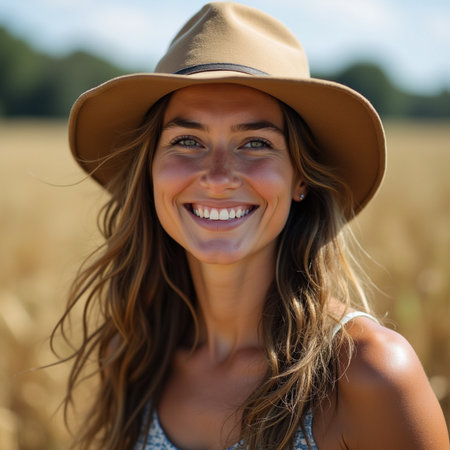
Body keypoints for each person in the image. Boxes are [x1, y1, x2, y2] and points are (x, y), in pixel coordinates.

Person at [54, 2, 449, 449]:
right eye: (187, 140)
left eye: (255, 143)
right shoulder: (132, 355)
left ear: (300, 177)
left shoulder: (366, 374)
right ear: (150, 171)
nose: (219, 176)